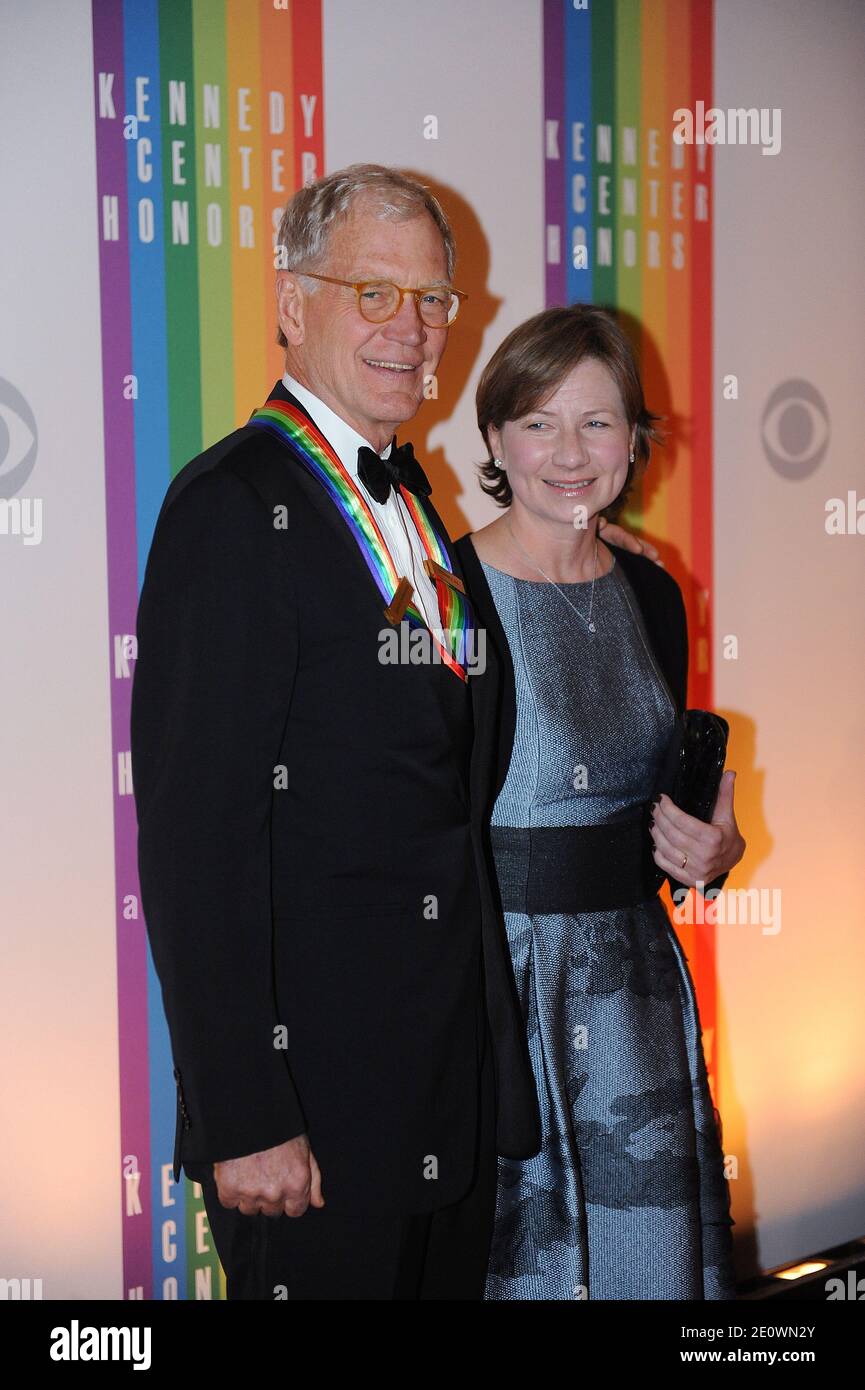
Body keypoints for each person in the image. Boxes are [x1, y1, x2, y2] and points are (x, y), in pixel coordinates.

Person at [129, 165, 651, 1301]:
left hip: (441, 1090)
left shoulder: (415, 503)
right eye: (372, 292)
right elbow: (194, 839)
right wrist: (247, 1112)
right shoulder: (231, 506)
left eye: (430, 300)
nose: (410, 329)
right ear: (289, 303)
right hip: (308, 1113)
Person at [454, 304, 746, 1300]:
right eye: (538, 422)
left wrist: (710, 848)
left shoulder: (654, 590)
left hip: (636, 999)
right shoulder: (445, 597)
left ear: (633, 440)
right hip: (494, 990)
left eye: (597, 423)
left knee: (646, 1268)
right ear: (494, 437)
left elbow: (666, 809)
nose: (568, 454)